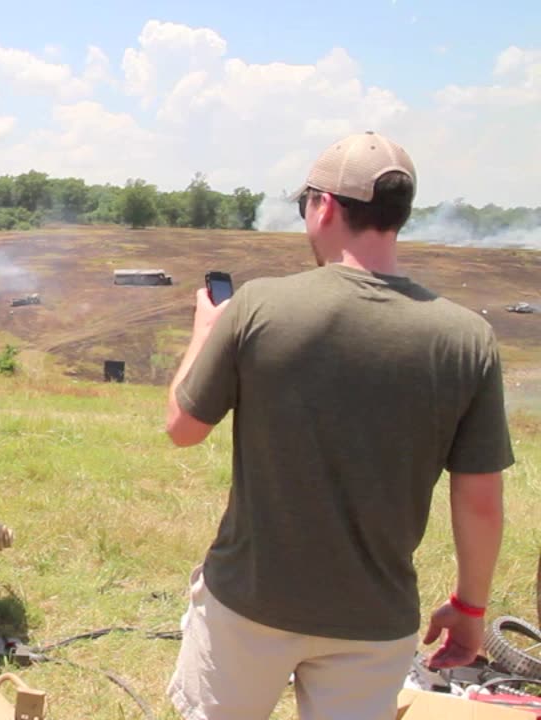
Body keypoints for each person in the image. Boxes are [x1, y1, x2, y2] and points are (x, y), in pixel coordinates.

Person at [164, 132, 512, 719]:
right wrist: (470, 610)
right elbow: (480, 501)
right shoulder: (467, 339)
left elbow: (182, 427)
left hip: (249, 603)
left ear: (324, 205)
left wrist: (203, 334)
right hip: (375, 624)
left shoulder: (256, 307)